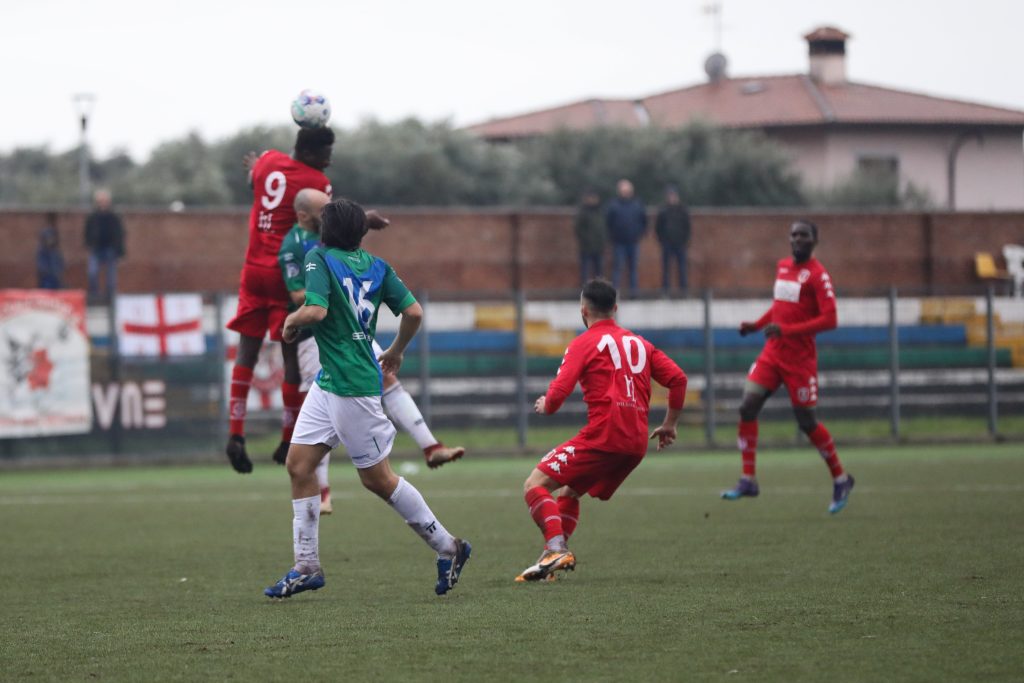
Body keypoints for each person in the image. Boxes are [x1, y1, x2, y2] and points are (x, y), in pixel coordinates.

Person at [263, 197, 471, 599]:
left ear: (326, 231)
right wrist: (397, 351)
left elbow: (315, 311)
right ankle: (306, 566)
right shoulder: (378, 266)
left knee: (378, 479)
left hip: (353, 387)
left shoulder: (318, 258)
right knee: (299, 465)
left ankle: (449, 547)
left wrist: (290, 321)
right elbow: (414, 312)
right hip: (330, 381)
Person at [515, 278, 688, 582]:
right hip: (636, 443)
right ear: (615, 309)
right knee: (570, 491)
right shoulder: (641, 343)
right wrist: (669, 424)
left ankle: (555, 548)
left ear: (583, 310)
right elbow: (678, 379)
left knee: (534, 484)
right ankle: (549, 562)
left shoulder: (583, 343)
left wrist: (545, 404)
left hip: (605, 436)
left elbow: (557, 396)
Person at [224, 126, 350, 473]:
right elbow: (326, 222)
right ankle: (286, 438)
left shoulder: (267, 161)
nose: (328, 162)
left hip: (253, 270)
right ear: (309, 153)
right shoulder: (316, 183)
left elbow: (254, 180)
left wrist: (255, 169)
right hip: (286, 271)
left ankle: (236, 433)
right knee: (291, 357)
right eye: (325, 154)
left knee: (246, 352)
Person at [720, 220, 855, 514]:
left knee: (807, 422)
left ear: (814, 241)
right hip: (773, 353)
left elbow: (830, 319)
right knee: (747, 407)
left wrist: (787, 331)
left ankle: (841, 479)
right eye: (793, 235)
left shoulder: (818, 276)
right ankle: (748, 479)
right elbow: (779, 307)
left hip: (799, 360)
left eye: (803, 235)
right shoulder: (782, 267)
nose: (797, 239)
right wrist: (757, 325)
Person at [605, 179, 647, 296]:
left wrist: (639, 233)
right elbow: (608, 222)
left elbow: (644, 221)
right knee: (617, 268)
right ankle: (615, 293)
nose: (626, 193)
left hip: (633, 241)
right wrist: (612, 236)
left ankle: (634, 293)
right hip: (619, 243)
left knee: (633, 269)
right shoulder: (613, 205)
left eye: (627, 190)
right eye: (623, 191)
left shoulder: (637, 204)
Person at [83, 190, 125, 302]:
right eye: (100, 201)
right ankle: (95, 296)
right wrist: (89, 244)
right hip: (96, 248)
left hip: (110, 249)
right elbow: (87, 231)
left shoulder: (114, 216)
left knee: (111, 277)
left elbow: (119, 234)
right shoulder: (93, 216)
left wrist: (120, 252)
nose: (103, 203)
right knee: (92, 273)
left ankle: (110, 298)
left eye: (105, 201)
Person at [655, 186, 691, 297]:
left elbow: (687, 227)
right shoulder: (663, 211)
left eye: (673, 195)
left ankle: (684, 291)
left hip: (680, 243)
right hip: (667, 244)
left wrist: (685, 240)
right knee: (666, 269)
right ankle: (665, 291)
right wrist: (662, 240)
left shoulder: (682, 210)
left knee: (682, 268)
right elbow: (658, 227)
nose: (672, 198)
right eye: (670, 196)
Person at [574, 188, 605, 285]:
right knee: (585, 270)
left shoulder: (600, 211)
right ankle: (584, 288)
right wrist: (586, 240)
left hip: (598, 246)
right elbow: (578, 229)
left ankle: (600, 289)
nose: (594, 200)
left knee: (599, 271)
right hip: (586, 246)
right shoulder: (583, 212)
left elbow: (603, 228)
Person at [37, 214, 64, 289]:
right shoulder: (42, 251)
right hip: (47, 278)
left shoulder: (55, 251)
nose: (51, 240)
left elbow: (60, 263)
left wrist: (59, 270)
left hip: (55, 278)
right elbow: (41, 266)